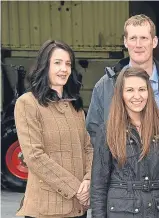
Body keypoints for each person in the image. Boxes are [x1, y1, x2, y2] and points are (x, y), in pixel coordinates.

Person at [86, 14, 159, 167]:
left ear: (154, 42)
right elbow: (93, 133)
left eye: (144, 38)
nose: (138, 44)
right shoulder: (105, 85)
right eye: (133, 38)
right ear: (125, 42)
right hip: (123, 182)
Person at [14, 40, 93, 218]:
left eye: (68, 64)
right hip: (45, 210)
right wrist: (76, 188)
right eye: (57, 63)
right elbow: (34, 156)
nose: (63, 69)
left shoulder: (76, 106)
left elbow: (88, 148)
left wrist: (88, 180)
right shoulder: (28, 103)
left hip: (78, 208)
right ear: (44, 65)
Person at [90, 67, 159, 218]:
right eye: (130, 90)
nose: (137, 96)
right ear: (121, 94)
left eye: (142, 89)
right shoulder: (108, 131)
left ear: (149, 93)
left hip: (158, 211)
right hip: (121, 212)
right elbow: (98, 186)